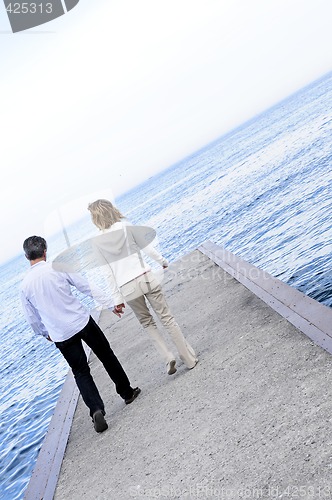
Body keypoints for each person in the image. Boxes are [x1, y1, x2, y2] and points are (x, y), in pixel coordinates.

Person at [20, 236, 140, 433]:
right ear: (45, 251)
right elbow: (86, 286)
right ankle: (127, 393)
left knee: (81, 372)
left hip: (61, 334)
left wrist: (45, 333)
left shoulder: (25, 286)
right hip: (81, 321)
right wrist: (111, 304)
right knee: (106, 355)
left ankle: (96, 410)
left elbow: (32, 319)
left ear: (27, 256)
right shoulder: (58, 267)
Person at [87, 199, 198, 376]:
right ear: (111, 210)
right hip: (146, 277)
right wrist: (162, 261)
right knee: (167, 318)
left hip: (127, 287)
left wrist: (117, 300)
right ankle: (189, 359)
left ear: (95, 218)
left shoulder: (96, 242)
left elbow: (107, 273)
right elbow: (147, 249)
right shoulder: (126, 226)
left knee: (147, 322)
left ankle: (167, 356)